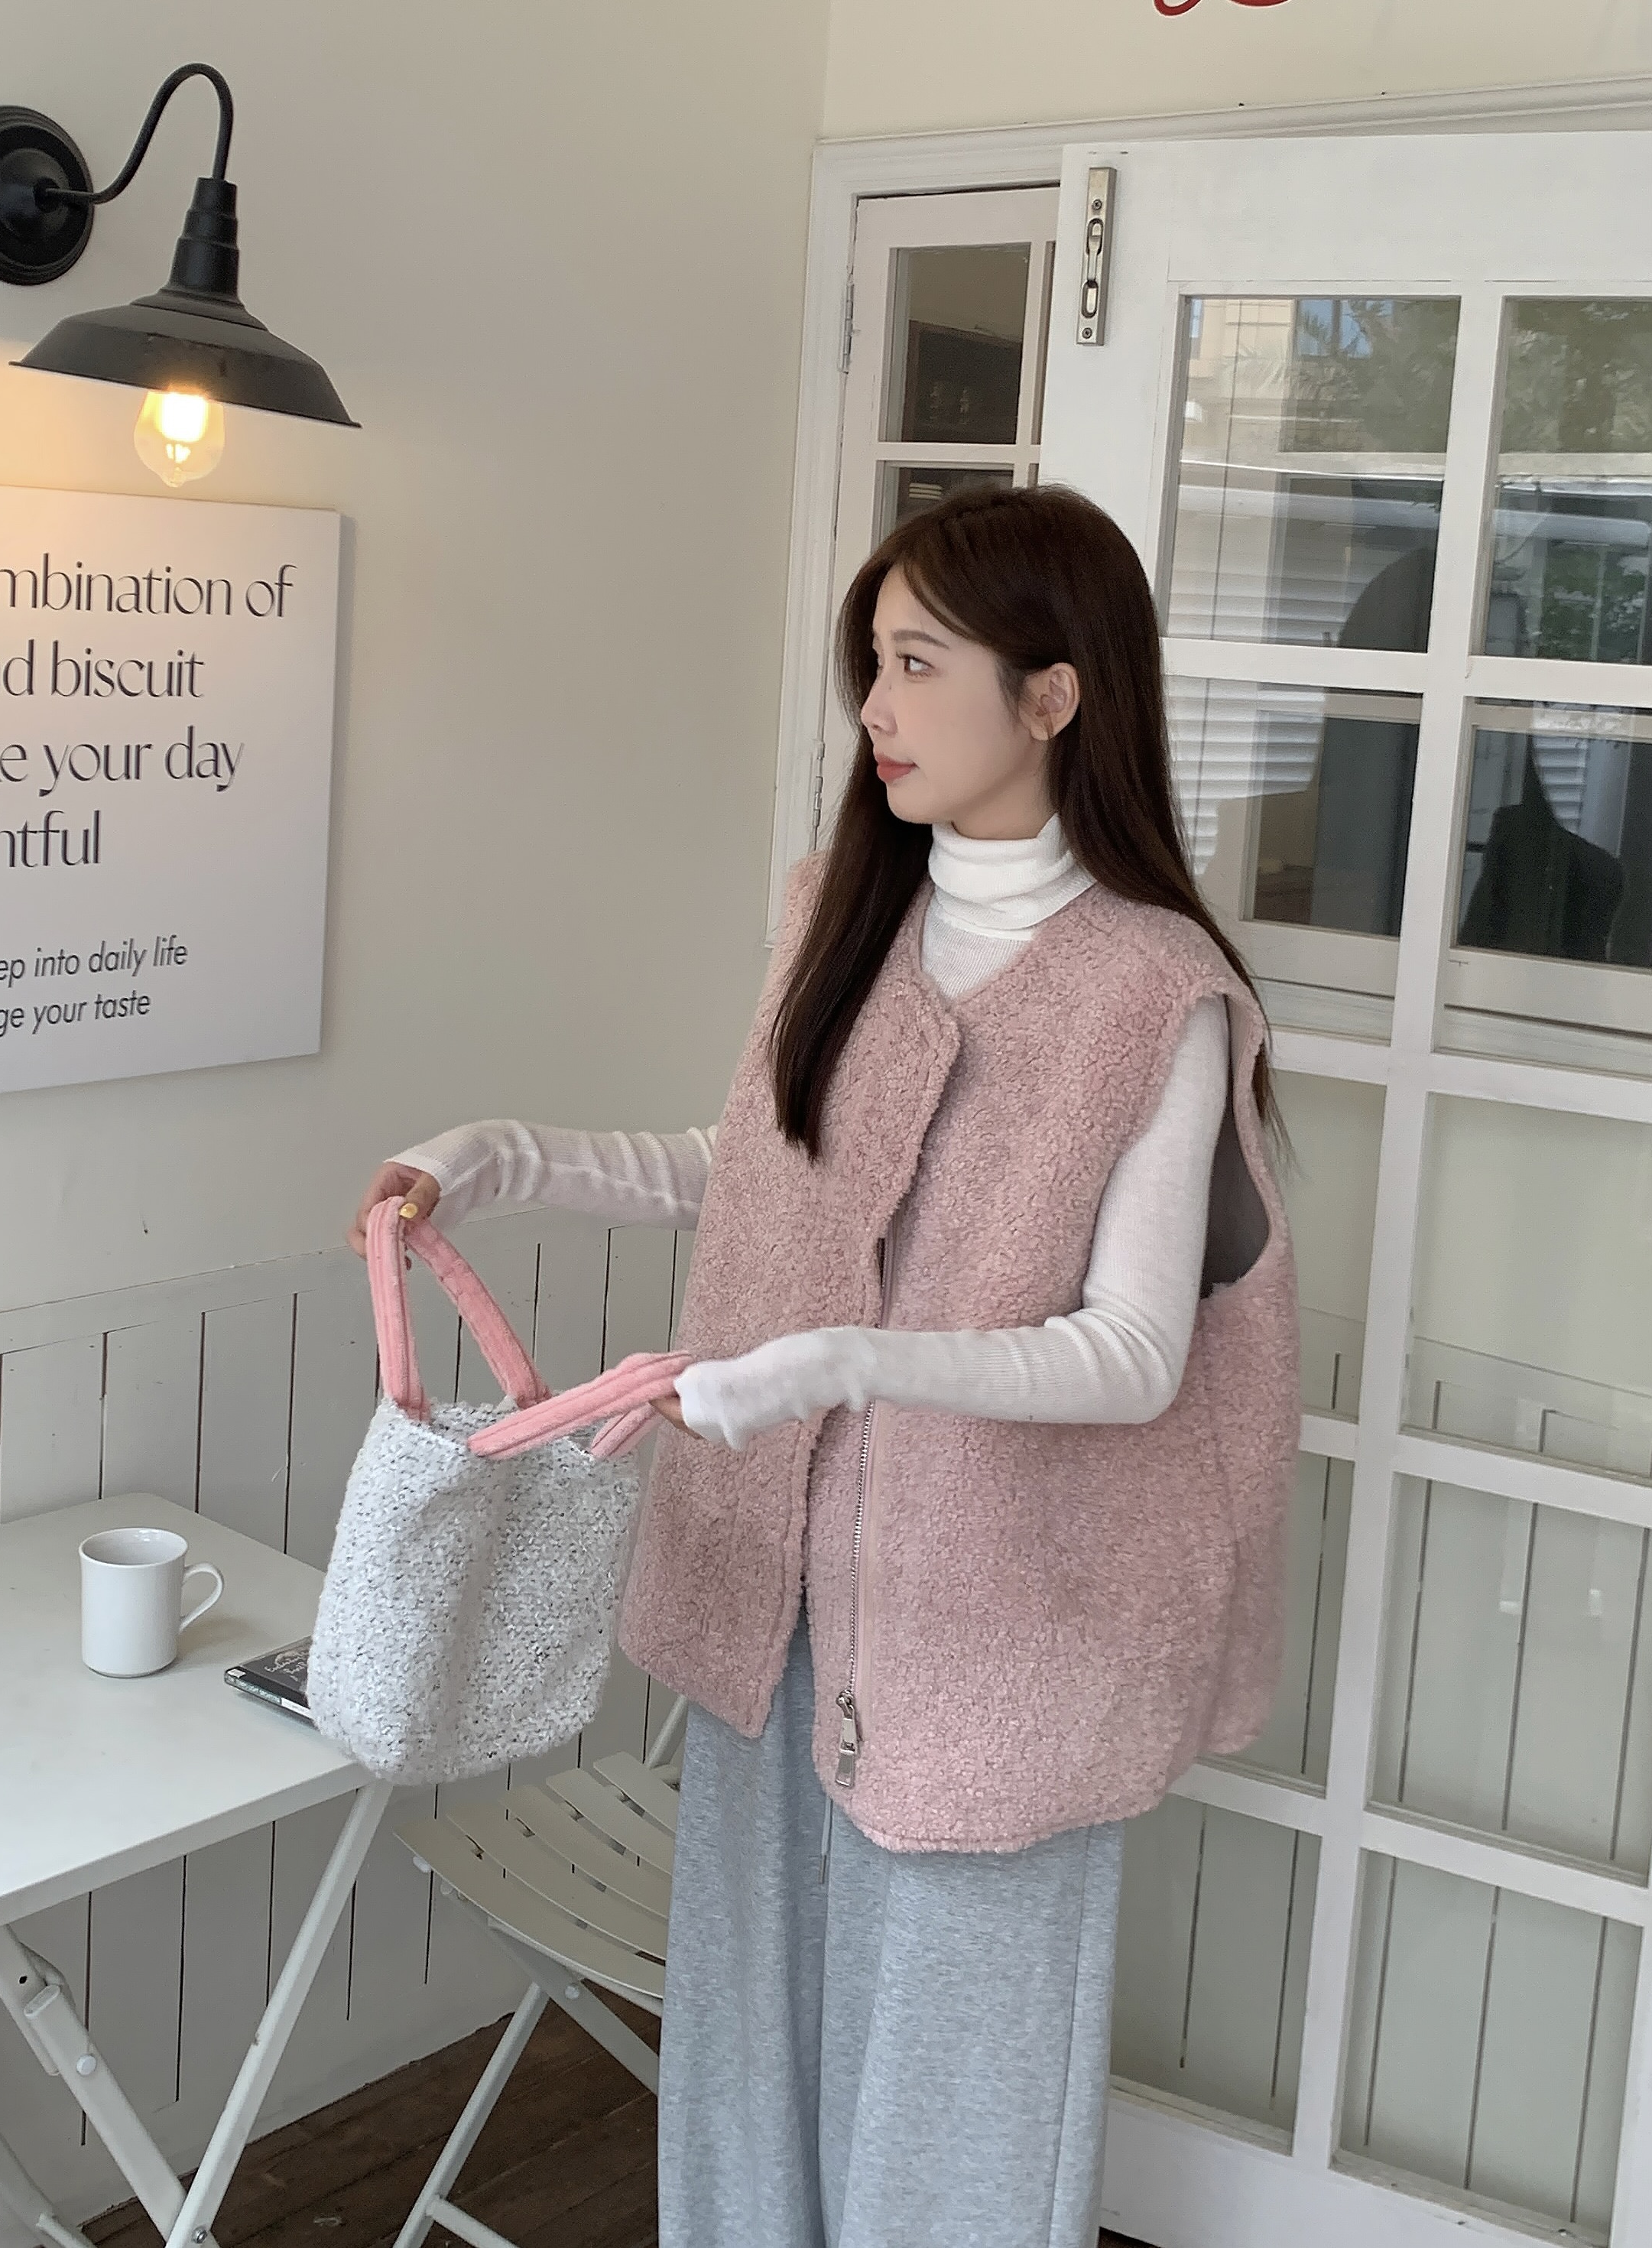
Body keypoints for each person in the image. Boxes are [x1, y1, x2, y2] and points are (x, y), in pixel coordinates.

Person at [352, 485, 1300, 2248]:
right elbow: (758, 1171)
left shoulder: (1150, 993)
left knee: (954, 2138)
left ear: (1051, 694)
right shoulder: (837, 915)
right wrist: (501, 1155)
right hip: (773, 1603)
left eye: (918, 664)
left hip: (995, 1646)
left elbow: (1133, 1354)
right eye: (870, 661)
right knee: (741, 2078)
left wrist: (829, 1366)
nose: (872, 707)